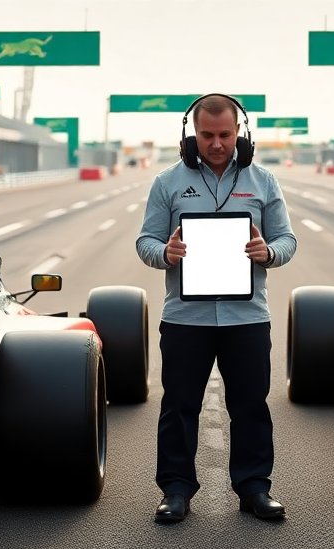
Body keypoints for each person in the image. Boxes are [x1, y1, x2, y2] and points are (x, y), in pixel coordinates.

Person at [136, 94, 298, 523]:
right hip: (185, 318)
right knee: (179, 406)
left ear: (240, 134)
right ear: (192, 135)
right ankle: (175, 489)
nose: (217, 143)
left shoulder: (264, 181)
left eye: (225, 135)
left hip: (246, 317)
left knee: (250, 406)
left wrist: (269, 252)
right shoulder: (167, 182)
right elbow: (145, 243)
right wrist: (165, 253)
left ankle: (254, 488)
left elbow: (288, 241)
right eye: (206, 135)